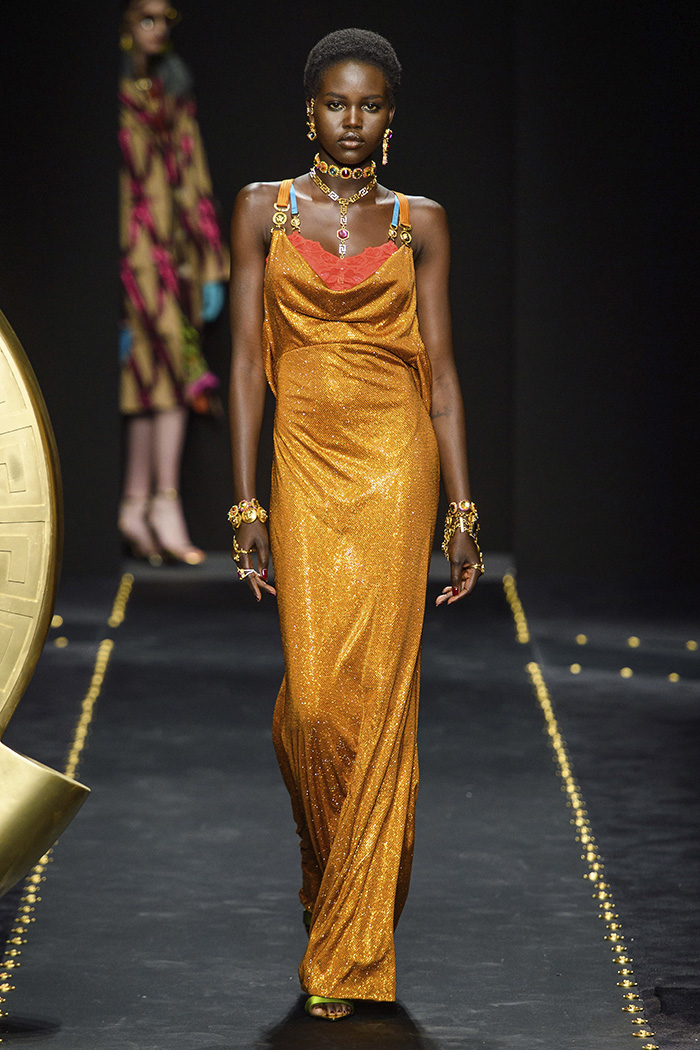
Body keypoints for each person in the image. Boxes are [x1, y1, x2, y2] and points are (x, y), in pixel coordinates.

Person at [228, 28, 483, 1021]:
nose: (351, 120)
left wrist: (461, 511)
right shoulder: (263, 210)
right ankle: (330, 871)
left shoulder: (422, 223)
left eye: (368, 105)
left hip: (396, 465)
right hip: (303, 458)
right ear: (310, 109)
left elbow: (442, 374)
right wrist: (245, 503)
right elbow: (246, 361)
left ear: (389, 116)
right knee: (313, 706)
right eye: (336, 103)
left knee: (376, 705)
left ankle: (349, 945)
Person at [118, 0, 228, 565]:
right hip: (128, 254)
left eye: (165, 19)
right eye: (146, 18)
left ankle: (147, 502)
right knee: (154, 375)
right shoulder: (115, 94)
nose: (157, 29)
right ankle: (152, 502)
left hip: (172, 255)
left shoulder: (172, 90)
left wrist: (210, 262)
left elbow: (194, 174)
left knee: (168, 373)